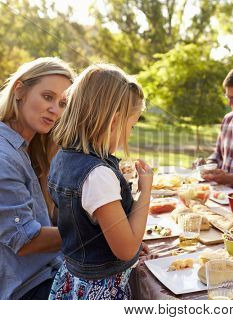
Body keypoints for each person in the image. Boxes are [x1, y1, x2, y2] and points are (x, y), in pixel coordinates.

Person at [48, 64, 152, 299]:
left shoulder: (62, 158)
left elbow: (80, 225)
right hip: (100, 291)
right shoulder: (98, 175)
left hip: (73, 279)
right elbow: (126, 250)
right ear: (114, 121)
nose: (131, 132)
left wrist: (129, 238)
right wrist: (145, 192)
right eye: (132, 125)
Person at [0, 57, 74, 299]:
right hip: (26, 290)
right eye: (47, 97)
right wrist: (100, 233)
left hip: (50, 270)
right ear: (19, 90)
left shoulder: (30, 148)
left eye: (62, 103)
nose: (55, 110)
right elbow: (25, 240)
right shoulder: (4, 156)